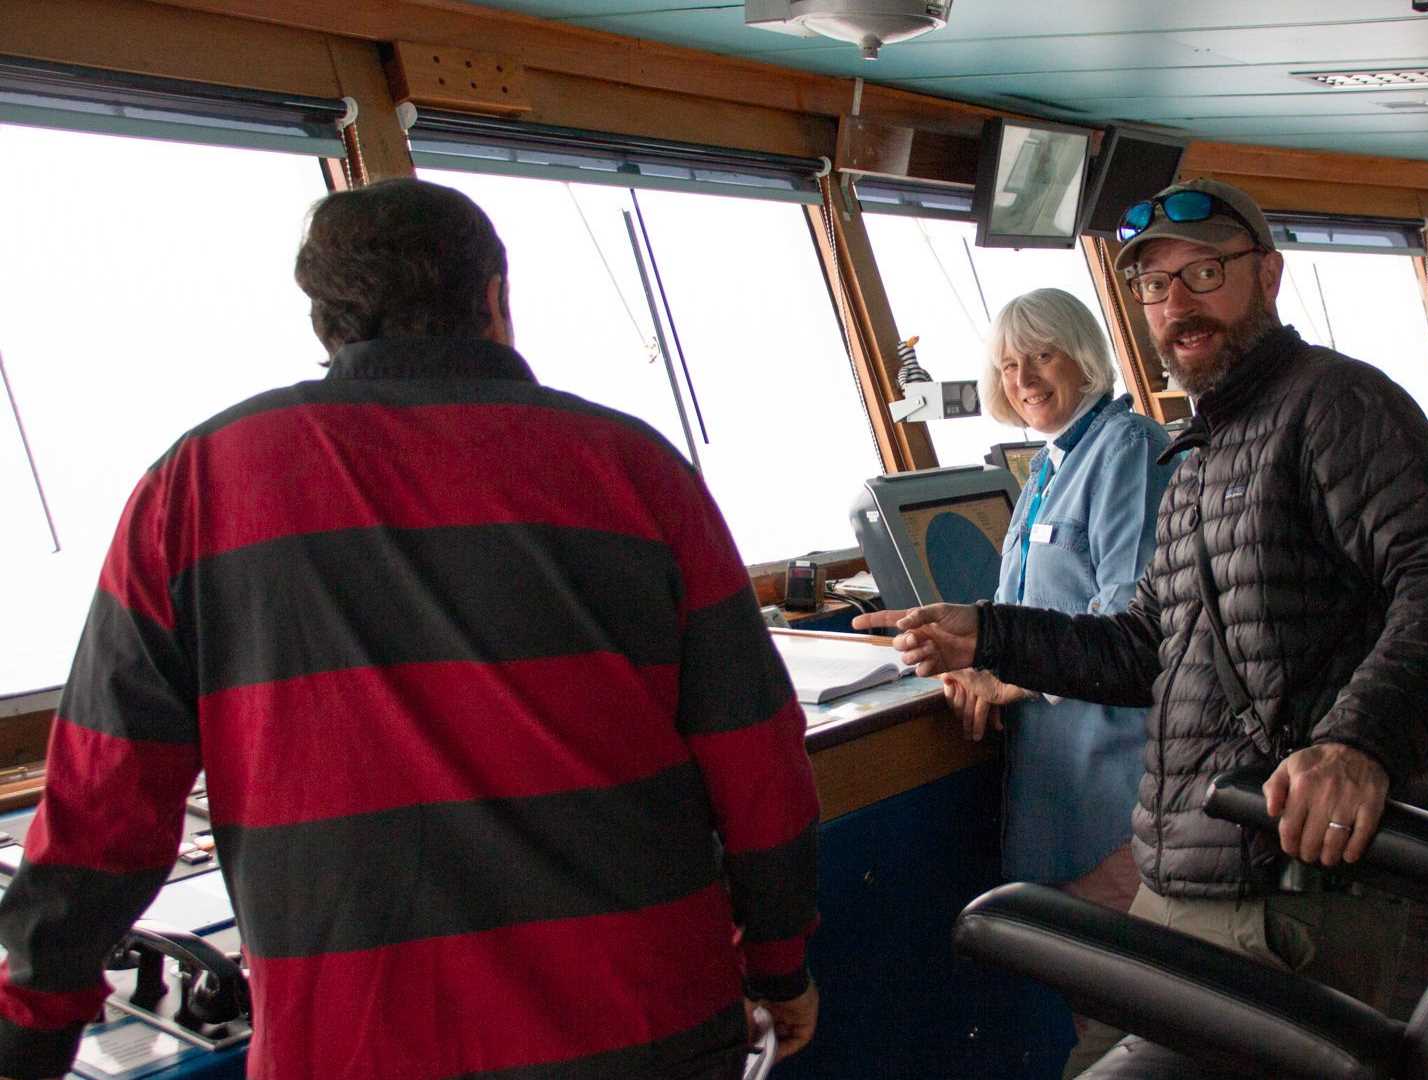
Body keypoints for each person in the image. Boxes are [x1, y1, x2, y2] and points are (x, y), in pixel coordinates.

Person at [0, 179, 820, 1080]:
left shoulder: (196, 484)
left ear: (327, 322)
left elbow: (101, 801)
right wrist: (778, 962)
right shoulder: (639, 468)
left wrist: (32, 1028)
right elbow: (758, 759)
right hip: (646, 1028)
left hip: (351, 1047)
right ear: (496, 299)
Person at [856, 178, 1428, 1069]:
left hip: (1282, 880)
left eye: (1205, 273)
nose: (1177, 304)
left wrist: (1360, 744)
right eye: (1154, 285)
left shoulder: (1334, 403)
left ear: (1268, 275)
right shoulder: (1204, 449)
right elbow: (1144, 647)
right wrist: (987, 633)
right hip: (1191, 865)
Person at [942, 288, 1171, 1045]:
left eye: (1042, 356)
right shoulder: (1049, 466)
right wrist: (971, 659)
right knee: (1099, 1010)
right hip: (1063, 789)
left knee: (1133, 1020)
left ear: (1084, 356)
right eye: (1010, 365)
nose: (1025, 379)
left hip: (1118, 782)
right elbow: (1025, 608)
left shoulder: (1128, 448)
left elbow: (1128, 617)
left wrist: (1006, 674)